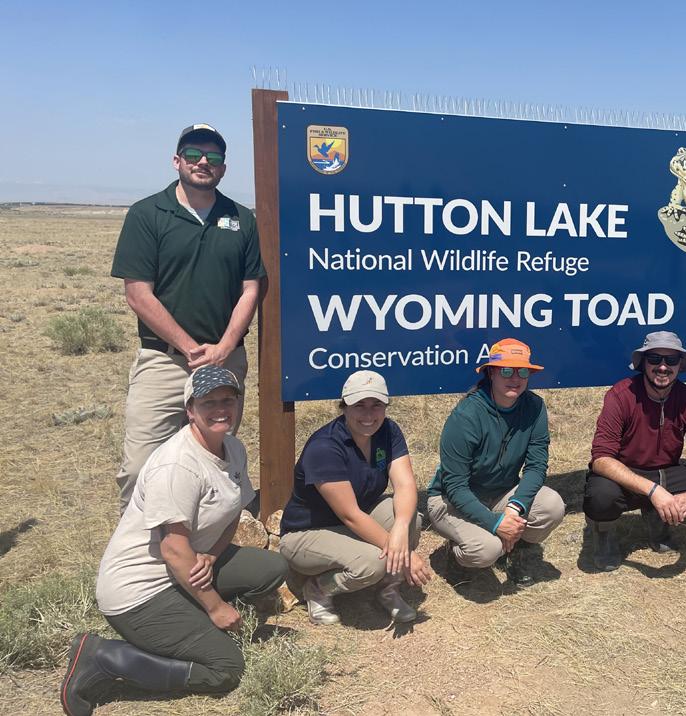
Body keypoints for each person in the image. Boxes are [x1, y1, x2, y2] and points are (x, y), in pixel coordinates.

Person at [61, 366, 286, 716]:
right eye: (209, 402)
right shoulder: (177, 465)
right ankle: (105, 656)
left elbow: (233, 512)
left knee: (272, 567)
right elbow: (172, 548)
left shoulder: (232, 448)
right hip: (139, 590)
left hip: (185, 569)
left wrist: (212, 554)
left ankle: (191, 622)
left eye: (228, 400)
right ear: (190, 410)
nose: (221, 409)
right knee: (227, 668)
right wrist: (215, 607)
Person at [110, 124, 265, 514]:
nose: (203, 162)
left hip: (225, 361)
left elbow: (251, 289)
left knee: (213, 456)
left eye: (213, 157)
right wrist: (190, 348)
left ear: (223, 168)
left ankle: (207, 538)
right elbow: (138, 293)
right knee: (141, 466)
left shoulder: (240, 219)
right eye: (194, 154)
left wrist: (225, 346)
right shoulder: (147, 214)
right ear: (177, 160)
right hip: (165, 361)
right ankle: (142, 544)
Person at [279, 370, 431, 625]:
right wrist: (403, 553)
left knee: (410, 521)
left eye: (376, 405)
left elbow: (405, 485)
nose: (369, 415)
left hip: (357, 517)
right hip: (308, 532)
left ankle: (387, 589)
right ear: (344, 407)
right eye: (359, 405)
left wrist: (400, 529)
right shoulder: (325, 447)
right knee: (373, 563)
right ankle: (318, 589)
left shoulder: (389, 431)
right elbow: (350, 515)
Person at [584, 331, 686, 571]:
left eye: (671, 360)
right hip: (627, 472)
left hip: (667, 471)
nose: (663, 367)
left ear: (680, 365)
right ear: (643, 363)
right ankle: (604, 533)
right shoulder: (620, 395)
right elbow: (601, 458)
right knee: (600, 497)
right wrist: (653, 491)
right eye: (654, 359)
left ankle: (658, 517)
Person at [426, 338, 565, 586]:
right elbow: (455, 487)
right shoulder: (466, 415)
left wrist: (514, 509)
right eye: (507, 371)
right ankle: (455, 557)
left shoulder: (534, 407)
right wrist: (496, 523)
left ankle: (515, 550)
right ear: (491, 372)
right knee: (486, 550)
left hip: (501, 493)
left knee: (552, 506)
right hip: (450, 500)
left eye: (523, 371)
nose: (515, 378)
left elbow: (536, 466)